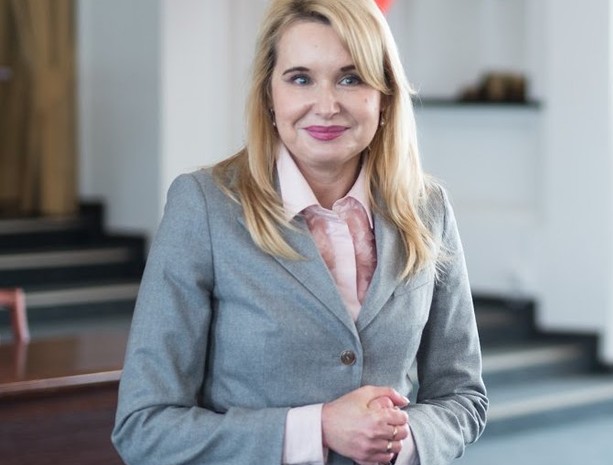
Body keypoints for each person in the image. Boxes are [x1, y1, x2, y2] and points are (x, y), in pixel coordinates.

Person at [111, 0, 487, 464]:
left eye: (351, 78)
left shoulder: (427, 209)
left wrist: (398, 439)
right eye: (300, 79)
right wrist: (319, 428)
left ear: (384, 96)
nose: (326, 106)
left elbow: (463, 397)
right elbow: (144, 427)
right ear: (269, 96)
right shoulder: (205, 206)